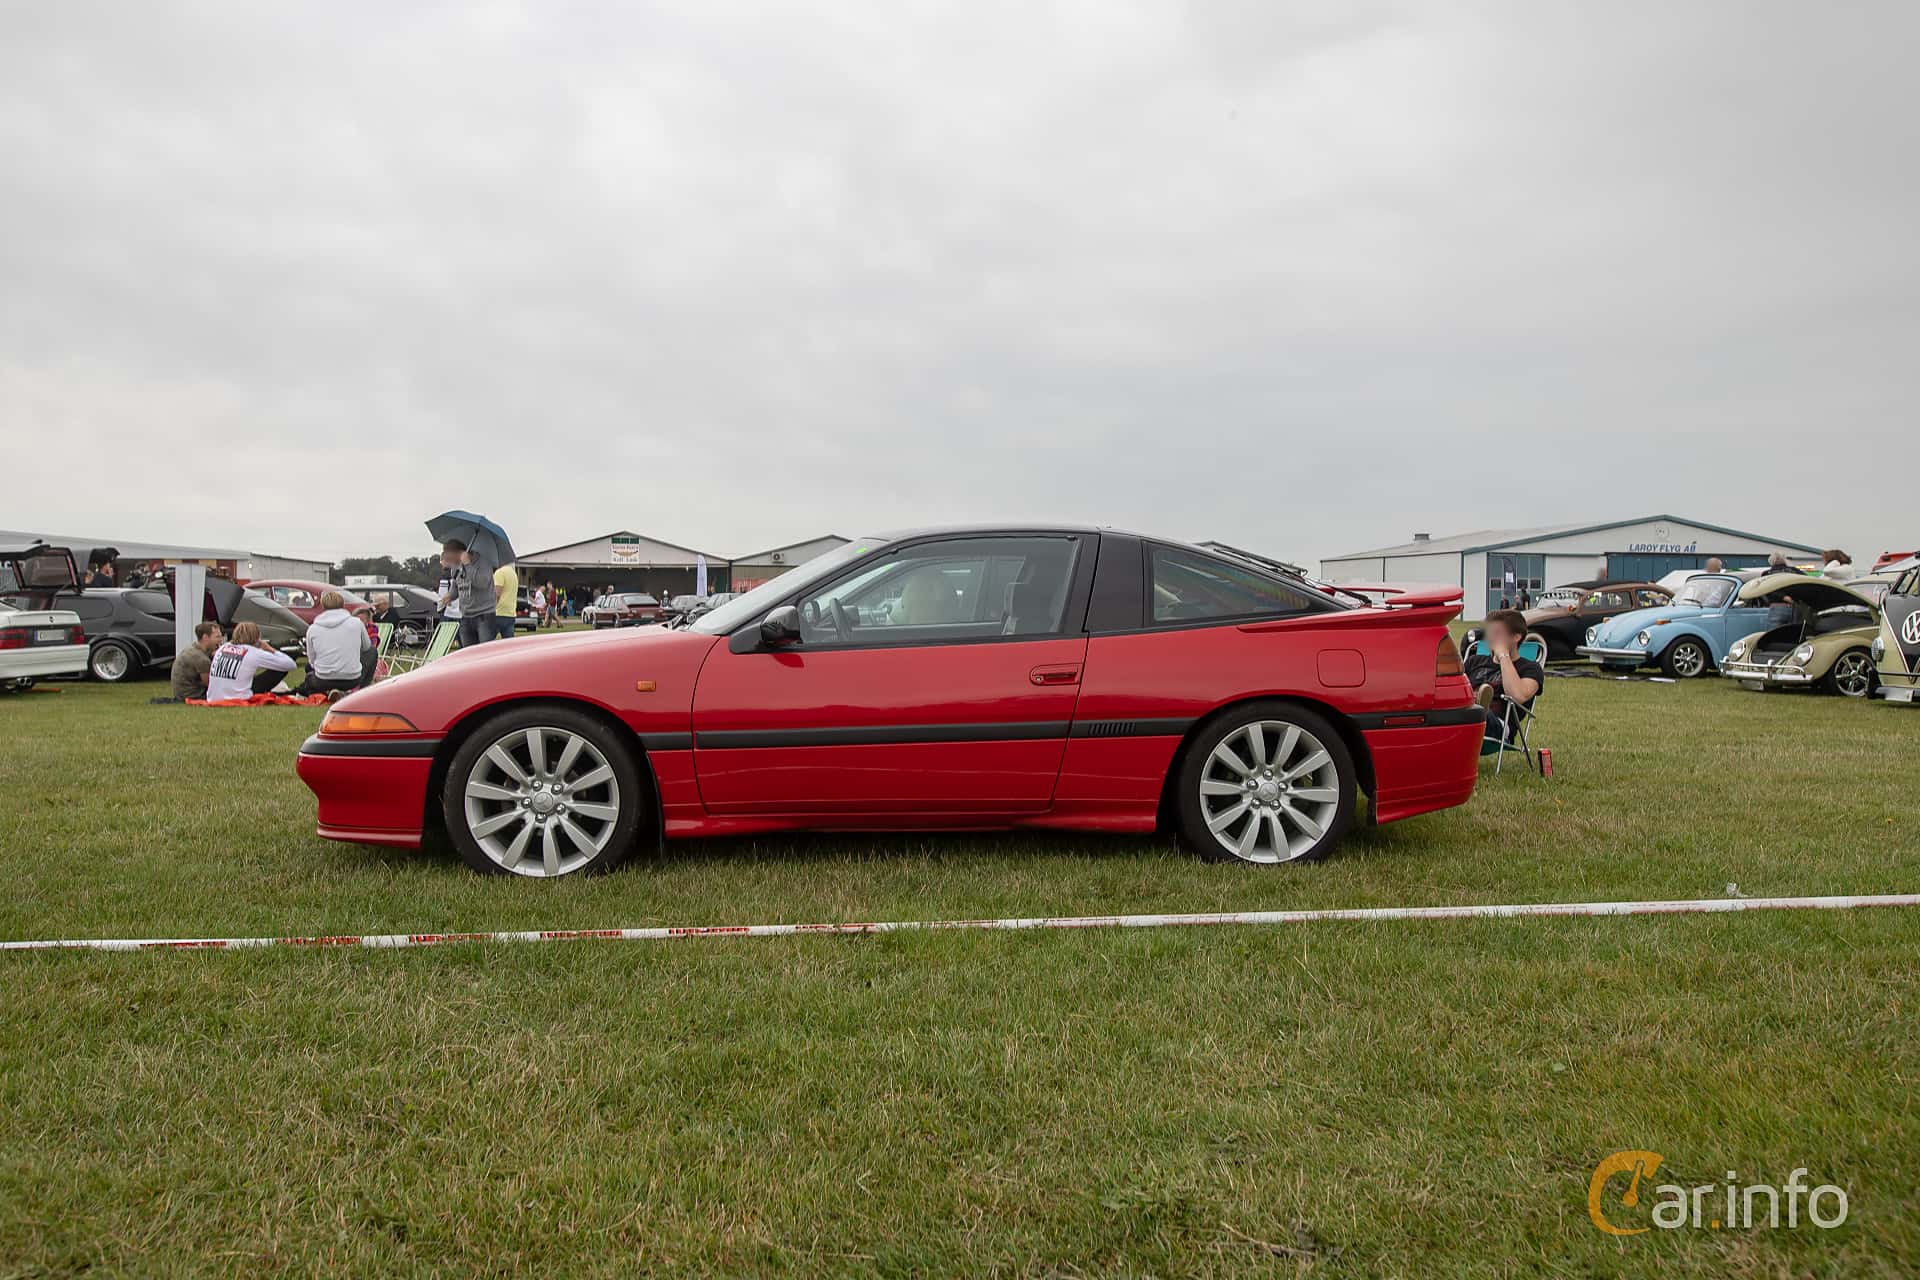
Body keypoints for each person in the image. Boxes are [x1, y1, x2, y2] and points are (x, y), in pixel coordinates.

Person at [1466, 609, 1544, 747]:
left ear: (1516, 637)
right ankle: (1474, 704)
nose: (1490, 638)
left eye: (1497, 633)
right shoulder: (1474, 662)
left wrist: (1503, 656)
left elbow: (1517, 695)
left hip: (1499, 725)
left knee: (1477, 713)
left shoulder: (1530, 668)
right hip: (1462, 716)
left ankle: (1480, 707)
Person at [298, 591, 373, 696]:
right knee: (372, 652)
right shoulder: (357, 623)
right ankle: (361, 691)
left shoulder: (313, 629)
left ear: (323, 606)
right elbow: (367, 647)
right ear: (343, 605)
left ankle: (327, 692)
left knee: (309, 678)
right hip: (352, 679)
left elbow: (311, 660)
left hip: (323, 679)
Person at [204, 621, 297, 701]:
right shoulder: (253, 652)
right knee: (280, 668)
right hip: (239, 697)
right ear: (256, 637)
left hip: (213, 697)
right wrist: (270, 649)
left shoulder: (223, 648)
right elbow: (290, 664)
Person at [441, 538, 497, 648]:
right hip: (465, 616)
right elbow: (456, 586)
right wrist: (450, 596)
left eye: (451, 557)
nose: (450, 562)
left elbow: (482, 583)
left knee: (485, 651)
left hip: (484, 616)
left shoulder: (483, 563)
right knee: (468, 652)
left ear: (460, 553)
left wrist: (467, 565)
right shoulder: (456, 567)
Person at [169, 622, 223, 699]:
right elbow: (211, 685)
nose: (220, 640)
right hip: (192, 695)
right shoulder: (202, 659)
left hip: (180, 693)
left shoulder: (193, 648)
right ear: (205, 637)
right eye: (217, 637)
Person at [492, 558, 519, 641]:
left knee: (486, 641)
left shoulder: (499, 573)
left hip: (498, 612)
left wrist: (490, 608)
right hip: (510, 613)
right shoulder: (514, 574)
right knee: (509, 642)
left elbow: (497, 594)